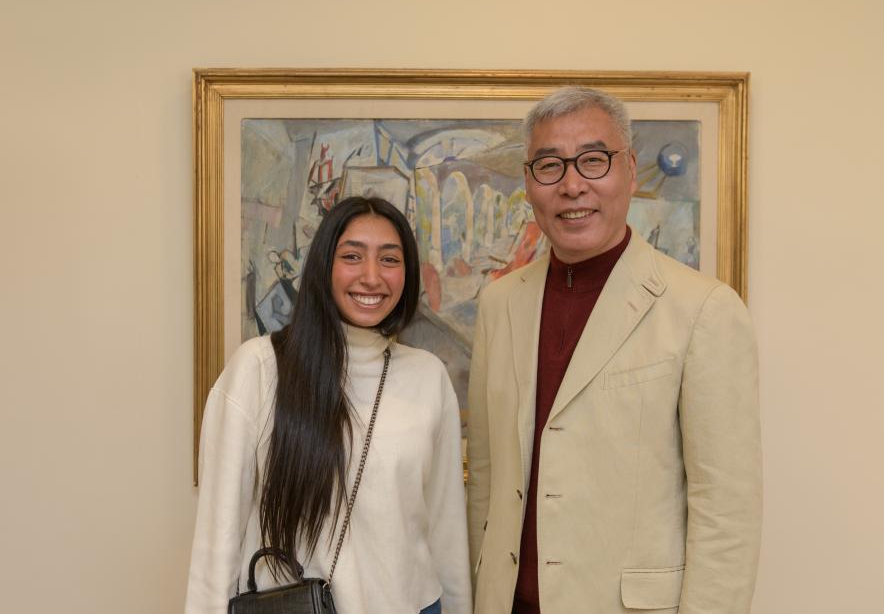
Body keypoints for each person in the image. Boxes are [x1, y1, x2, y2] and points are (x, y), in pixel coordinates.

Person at [465, 87, 762, 614]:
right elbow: (486, 480)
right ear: (529, 183)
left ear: (628, 168)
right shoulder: (499, 303)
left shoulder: (703, 309)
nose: (573, 185)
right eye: (549, 166)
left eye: (593, 161)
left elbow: (726, 512)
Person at [186, 196, 472, 614]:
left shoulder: (428, 376)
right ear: (324, 266)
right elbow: (217, 538)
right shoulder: (260, 368)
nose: (372, 277)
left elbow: (446, 530)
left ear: (407, 274)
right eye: (352, 256)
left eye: (389, 259)